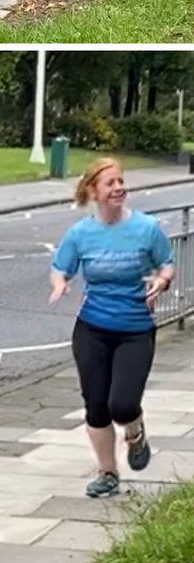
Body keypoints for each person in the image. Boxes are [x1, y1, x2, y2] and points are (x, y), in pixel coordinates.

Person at [50, 157, 174, 498]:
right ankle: (107, 472)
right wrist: (60, 284)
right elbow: (61, 267)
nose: (119, 187)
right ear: (94, 191)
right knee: (96, 405)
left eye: (121, 181)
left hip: (135, 328)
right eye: (110, 183)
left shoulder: (146, 229)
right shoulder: (81, 233)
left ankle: (134, 432)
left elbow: (167, 264)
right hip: (92, 328)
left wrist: (161, 281)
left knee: (122, 404)